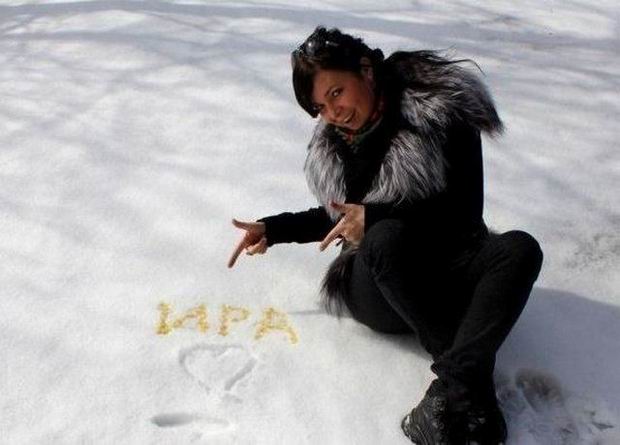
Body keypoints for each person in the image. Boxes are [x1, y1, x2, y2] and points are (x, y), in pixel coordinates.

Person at [228, 26, 543, 445]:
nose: (333, 113)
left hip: (453, 262)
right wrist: (276, 228)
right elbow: (345, 217)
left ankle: (451, 389)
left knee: (520, 248)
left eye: (337, 92)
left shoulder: (440, 114)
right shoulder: (340, 143)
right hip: (383, 287)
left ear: (366, 71)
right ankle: (467, 385)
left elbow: (463, 211)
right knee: (383, 238)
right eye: (321, 106)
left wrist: (374, 215)